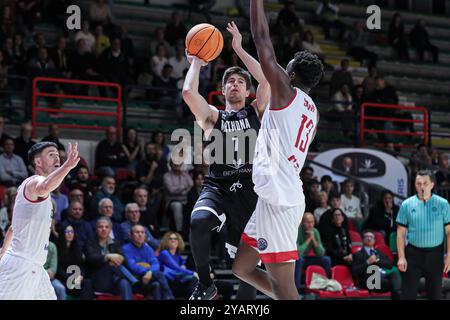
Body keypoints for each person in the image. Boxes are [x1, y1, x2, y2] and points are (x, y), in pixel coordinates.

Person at [233, 1, 323, 300]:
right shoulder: (310, 109)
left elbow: (262, 38)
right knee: (243, 267)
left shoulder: (286, 92)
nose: (281, 71)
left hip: (280, 200)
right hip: (275, 195)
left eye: (287, 69)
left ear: (292, 76)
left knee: (284, 285)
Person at [182, 20, 270, 300]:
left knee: (246, 276)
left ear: (247, 92)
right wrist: (196, 62)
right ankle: (206, 284)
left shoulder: (257, 111)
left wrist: (239, 49)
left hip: (251, 194)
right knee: (197, 222)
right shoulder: (212, 116)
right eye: (230, 81)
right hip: (218, 187)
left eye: (241, 82)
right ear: (223, 91)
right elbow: (187, 93)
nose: (235, 84)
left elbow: (267, 79)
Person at [0, 141, 80, 299]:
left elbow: (13, 228)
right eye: (51, 155)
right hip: (20, 266)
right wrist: (68, 166)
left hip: (35, 267)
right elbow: (45, 186)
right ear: (38, 162)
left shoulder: (39, 194)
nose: (57, 159)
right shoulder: (34, 182)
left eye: (58, 156)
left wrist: (3, 251)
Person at [396, 170, 450, 300]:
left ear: (432, 184)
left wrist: (449, 255)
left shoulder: (443, 204)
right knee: (408, 295)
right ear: (415, 185)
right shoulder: (406, 204)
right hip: (413, 254)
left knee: (435, 295)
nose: (421, 186)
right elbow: (400, 233)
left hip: (435, 254)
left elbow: (449, 231)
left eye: (425, 183)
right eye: (418, 183)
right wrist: (401, 257)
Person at [85, 216, 136, 300]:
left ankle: (133, 283)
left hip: (115, 279)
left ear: (110, 230)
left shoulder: (115, 243)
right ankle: (136, 283)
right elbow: (91, 258)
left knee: (124, 282)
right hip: (99, 279)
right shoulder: (90, 242)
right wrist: (108, 257)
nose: (104, 229)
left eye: (107, 227)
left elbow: (125, 261)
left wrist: (120, 258)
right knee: (111, 265)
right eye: (101, 227)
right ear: (96, 229)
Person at [122, 224, 174, 300]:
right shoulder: (126, 249)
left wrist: (149, 272)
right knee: (159, 275)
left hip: (149, 277)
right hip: (136, 279)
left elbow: (156, 264)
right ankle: (169, 296)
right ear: (130, 235)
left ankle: (168, 296)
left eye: (142, 232)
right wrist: (147, 270)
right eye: (137, 232)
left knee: (157, 284)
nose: (140, 235)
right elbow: (132, 266)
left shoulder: (148, 248)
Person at [352, 230, 402, 299]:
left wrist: (377, 261)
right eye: (367, 237)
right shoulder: (358, 255)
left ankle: (398, 292)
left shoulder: (379, 253)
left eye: (371, 237)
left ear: (374, 240)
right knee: (396, 285)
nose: (369, 239)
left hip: (382, 277)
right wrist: (368, 262)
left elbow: (389, 265)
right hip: (369, 280)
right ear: (362, 240)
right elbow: (355, 272)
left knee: (395, 274)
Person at [55, 224, 93, 300]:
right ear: (62, 233)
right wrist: (71, 278)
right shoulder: (57, 248)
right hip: (63, 279)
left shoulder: (76, 248)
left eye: (72, 231)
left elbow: (81, 266)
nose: (70, 234)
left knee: (87, 282)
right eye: (67, 232)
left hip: (76, 280)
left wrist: (80, 276)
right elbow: (58, 269)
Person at [295, 213, 331, 289]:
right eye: (308, 222)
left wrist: (313, 239)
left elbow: (320, 253)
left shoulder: (315, 231)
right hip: (298, 258)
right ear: (302, 222)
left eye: (312, 222)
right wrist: (308, 239)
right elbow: (298, 253)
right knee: (299, 260)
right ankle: (297, 287)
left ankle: (329, 284)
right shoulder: (297, 231)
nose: (311, 225)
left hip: (308, 258)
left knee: (326, 259)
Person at [158, 231, 198, 298]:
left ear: (179, 241)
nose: (173, 240)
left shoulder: (177, 255)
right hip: (169, 281)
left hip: (177, 280)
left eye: (175, 239)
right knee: (194, 278)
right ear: (166, 241)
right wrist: (193, 273)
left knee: (195, 281)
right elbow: (176, 268)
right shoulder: (164, 253)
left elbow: (183, 263)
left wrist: (183, 265)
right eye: (170, 239)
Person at [163, 159, 193, 235]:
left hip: (186, 200)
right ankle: (179, 231)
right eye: (174, 163)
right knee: (177, 205)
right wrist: (184, 188)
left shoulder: (185, 175)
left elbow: (192, 186)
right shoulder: (167, 176)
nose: (177, 164)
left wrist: (180, 190)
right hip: (172, 201)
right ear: (170, 164)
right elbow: (171, 190)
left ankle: (192, 231)